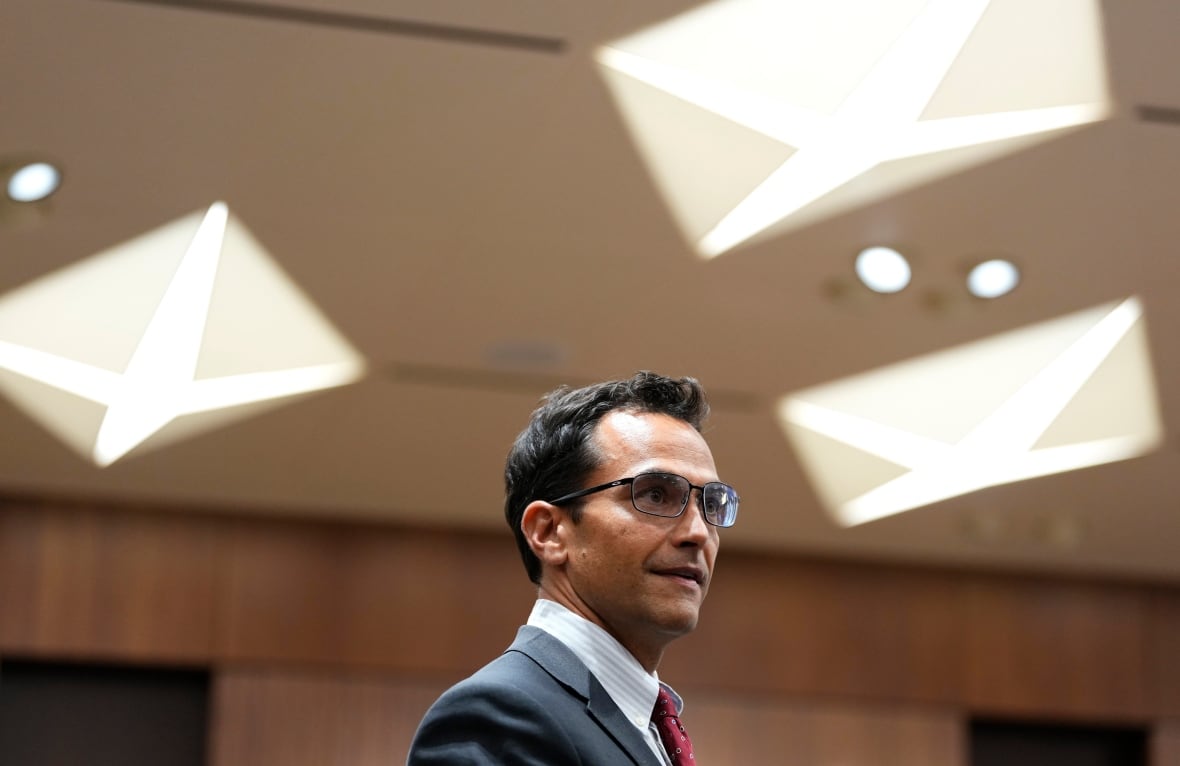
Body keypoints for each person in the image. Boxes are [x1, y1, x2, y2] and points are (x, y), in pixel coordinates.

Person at [406, 371, 739, 765]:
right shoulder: (498, 717)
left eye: (709, 504)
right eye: (654, 494)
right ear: (549, 532)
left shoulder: (649, 726)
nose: (698, 533)